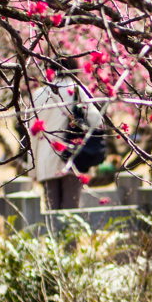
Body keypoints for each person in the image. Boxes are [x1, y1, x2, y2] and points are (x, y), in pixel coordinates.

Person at [28, 57, 103, 211]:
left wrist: (32, 169)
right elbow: (97, 120)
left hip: (45, 161)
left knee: (51, 209)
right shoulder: (77, 90)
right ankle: (69, 235)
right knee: (71, 209)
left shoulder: (39, 94)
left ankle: (54, 235)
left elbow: (32, 134)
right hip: (73, 157)